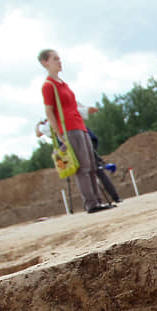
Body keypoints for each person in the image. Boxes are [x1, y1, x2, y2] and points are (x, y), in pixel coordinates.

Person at [39, 49, 113, 213]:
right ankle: (91, 203)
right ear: (45, 62)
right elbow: (49, 111)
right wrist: (59, 134)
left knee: (92, 166)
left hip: (80, 126)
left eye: (59, 58)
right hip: (69, 129)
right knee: (83, 168)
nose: (60, 61)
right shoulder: (48, 86)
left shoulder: (62, 83)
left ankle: (98, 201)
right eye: (55, 59)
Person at [35, 118, 122, 203]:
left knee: (84, 173)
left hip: (72, 147)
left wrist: (39, 123)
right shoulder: (65, 114)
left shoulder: (49, 124)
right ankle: (114, 198)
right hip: (86, 137)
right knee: (97, 170)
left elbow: (38, 133)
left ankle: (94, 202)